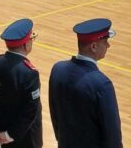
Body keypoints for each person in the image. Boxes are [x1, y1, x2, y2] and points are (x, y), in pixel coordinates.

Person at [49, 18, 121, 148]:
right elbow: (112, 134)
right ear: (93, 46)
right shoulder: (101, 84)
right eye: (105, 41)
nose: (108, 45)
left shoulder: (57, 69)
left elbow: (55, 115)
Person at [0, 18, 41, 148]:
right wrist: (10, 135)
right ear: (26, 45)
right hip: (24, 137)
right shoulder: (29, 72)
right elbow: (30, 111)